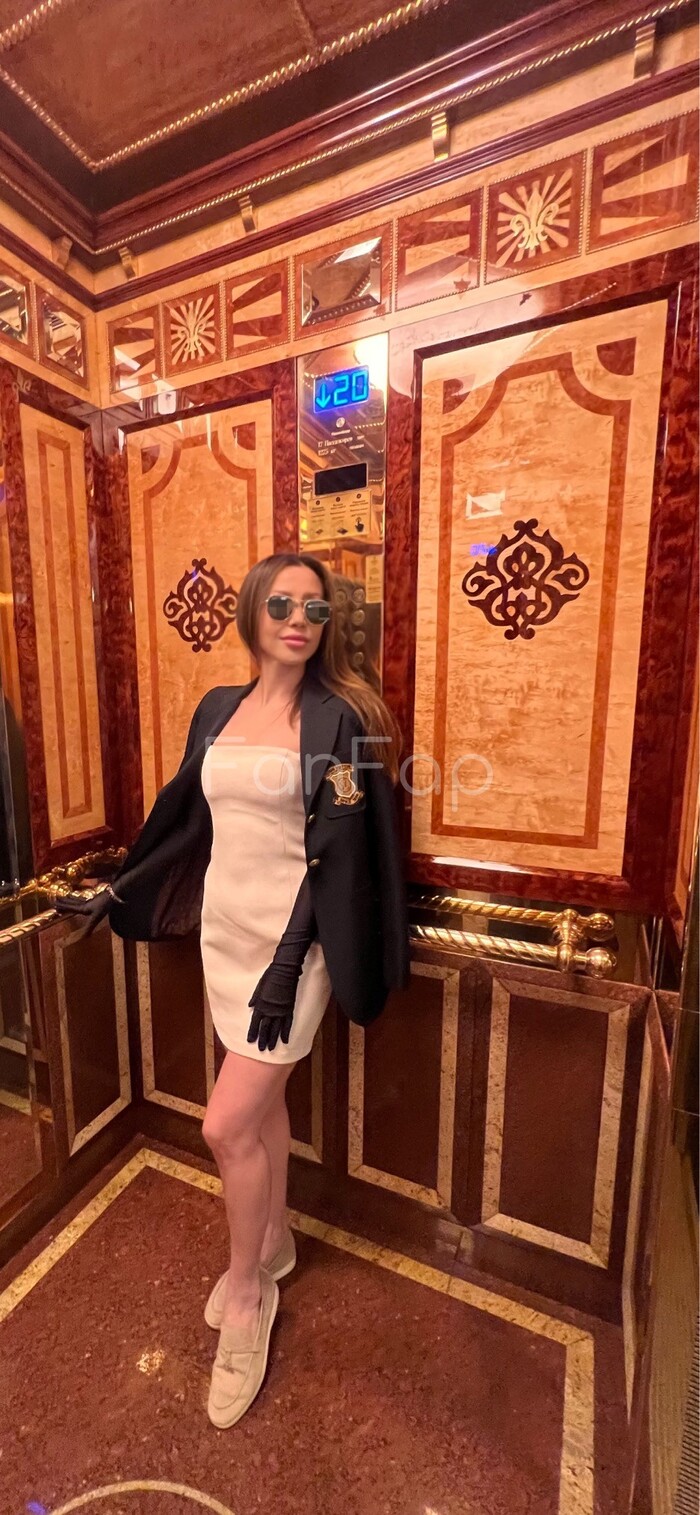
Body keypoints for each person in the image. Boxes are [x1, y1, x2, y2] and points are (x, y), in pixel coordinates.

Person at [57, 551, 410, 1431]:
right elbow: (191, 823)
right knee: (261, 1113)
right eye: (282, 603)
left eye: (315, 610)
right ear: (252, 611)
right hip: (226, 934)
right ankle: (276, 1240)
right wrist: (121, 886)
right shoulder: (218, 706)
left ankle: (249, 1293)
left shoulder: (342, 721)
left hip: (297, 949)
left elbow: (338, 856)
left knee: (224, 1126)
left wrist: (290, 964)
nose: (298, 620)